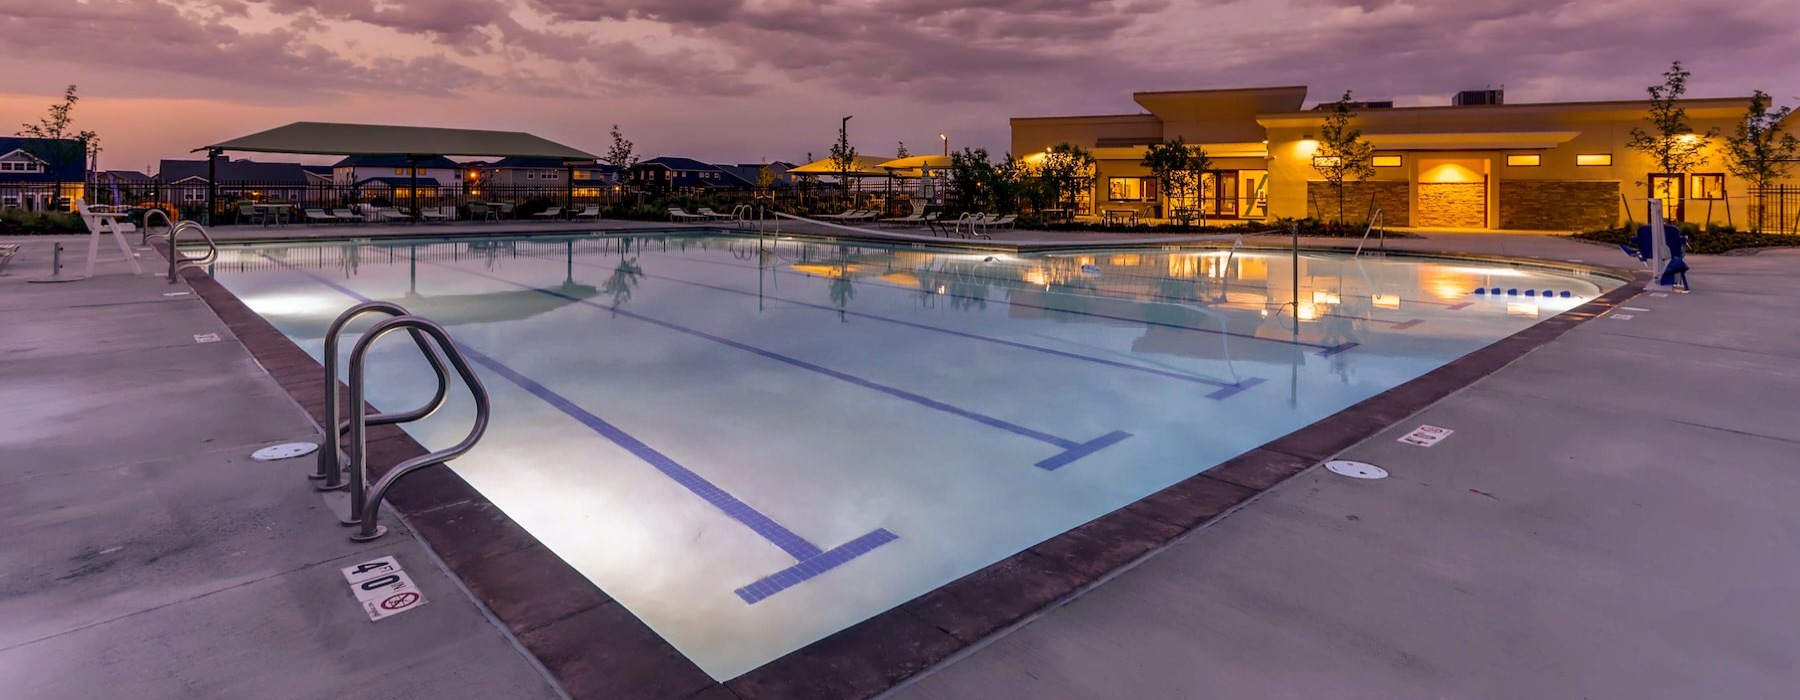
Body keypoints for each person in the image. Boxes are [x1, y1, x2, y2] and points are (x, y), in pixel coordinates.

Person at [1620, 222, 1690, 290]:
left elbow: (1635, 240)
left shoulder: (1643, 230)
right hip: (1673, 252)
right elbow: (1681, 241)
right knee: (1678, 254)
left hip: (1647, 252)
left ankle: (1662, 278)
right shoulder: (1673, 230)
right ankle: (1666, 278)